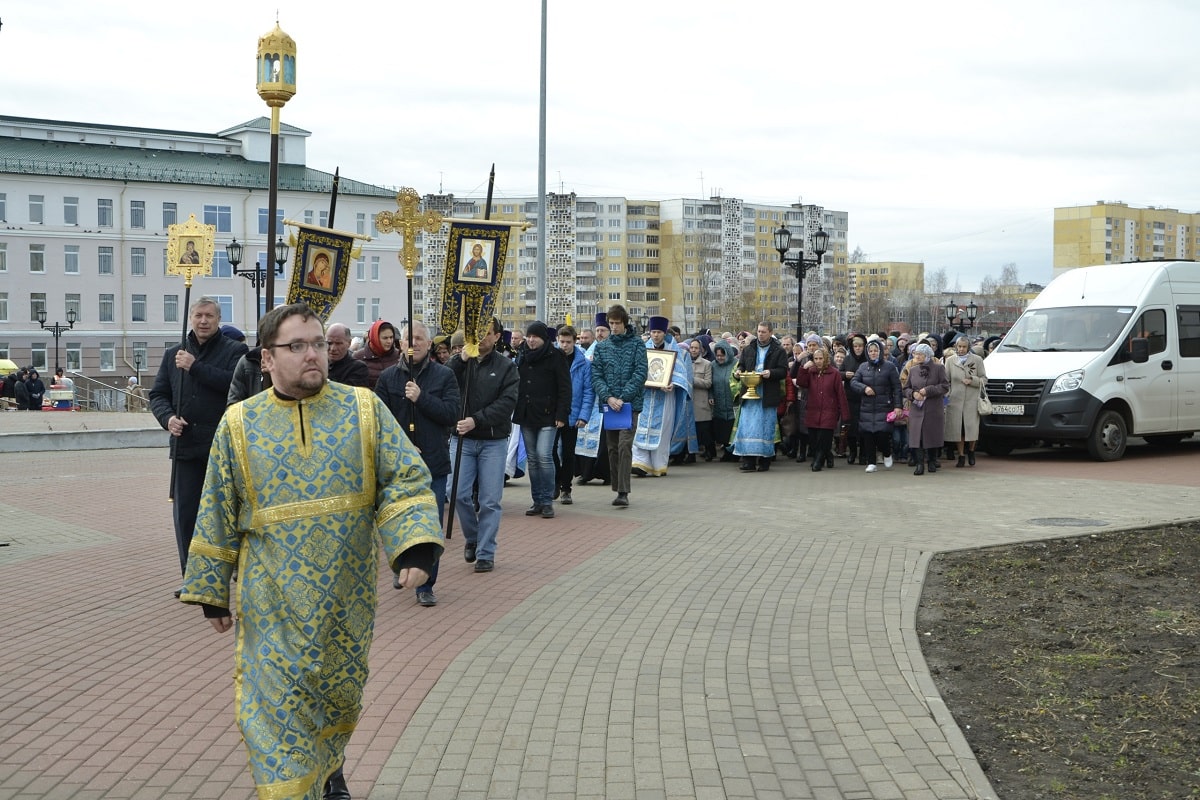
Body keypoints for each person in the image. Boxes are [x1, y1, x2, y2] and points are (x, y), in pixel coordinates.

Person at [179, 302, 442, 800]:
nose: (312, 355)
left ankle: (328, 771)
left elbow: (404, 479)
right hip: (271, 601)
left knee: (338, 701)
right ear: (267, 360)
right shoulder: (238, 424)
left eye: (318, 344)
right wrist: (212, 589)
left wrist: (415, 547)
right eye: (296, 346)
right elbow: (214, 507)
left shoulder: (363, 410)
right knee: (276, 713)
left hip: (346, 600)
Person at [149, 296, 247, 585]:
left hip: (221, 446)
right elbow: (158, 395)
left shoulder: (235, 351)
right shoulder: (173, 354)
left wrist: (196, 367)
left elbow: (235, 384)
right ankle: (193, 579)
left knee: (224, 513)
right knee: (186, 515)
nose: (203, 321)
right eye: (198, 315)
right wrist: (168, 418)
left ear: (218, 320)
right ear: (191, 318)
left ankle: (228, 570)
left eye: (209, 316)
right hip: (186, 447)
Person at [375, 321, 460, 607]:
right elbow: (380, 421)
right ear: (401, 344)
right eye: (410, 338)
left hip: (433, 463)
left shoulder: (444, 376)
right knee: (397, 519)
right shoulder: (388, 378)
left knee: (428, 524)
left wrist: (422, 399)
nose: (415, 343)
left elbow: (451, 414)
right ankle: (402, 566)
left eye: (421, 338)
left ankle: (425, 583)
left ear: (429, 344)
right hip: (398, 466)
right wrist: (402, 444)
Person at [447, 316, 519, 573]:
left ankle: (486, 552)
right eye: (477, 333)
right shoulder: (462, 363)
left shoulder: (506, 367)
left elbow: (507, 403)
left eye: (488, 333)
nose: (481, 338)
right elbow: (442, 381)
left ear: (498, 336)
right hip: (462, 440)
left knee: (490, 500)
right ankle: (473, 536)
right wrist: (459, 360)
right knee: (455, 493)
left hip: (492, 440)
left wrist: (476, 420)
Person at [590, 304, 648, 507]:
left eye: (617, 323)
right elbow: (596, 375)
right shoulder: (602, 347)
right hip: (610, 405)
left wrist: (623, 397)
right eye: (611, 323)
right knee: (612, 448)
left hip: (629, 405)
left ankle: (623, 491)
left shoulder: (637, 345)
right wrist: (608, 397)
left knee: (624, 446)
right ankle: (616, 486)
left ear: (624, 323)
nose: (613, 327)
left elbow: (640, 372)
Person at [513, 321, 572, 519]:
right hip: (527, 414)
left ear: (543, 338)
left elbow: (565, 388)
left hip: (549, 414)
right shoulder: (521, 355)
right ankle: (537, 500)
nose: (530, 340)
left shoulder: (556, 356)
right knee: (532, 459)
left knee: (544, 456)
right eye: (528, 336)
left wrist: (562, 414)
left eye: (535, 337)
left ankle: (547, 500)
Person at [631, 316, 693, 476]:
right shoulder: (644, 348)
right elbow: (636, 369)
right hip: (646, 396)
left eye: (658, 332)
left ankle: (658, 466)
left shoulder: (674, 349)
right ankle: (640, 463)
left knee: (662, 431)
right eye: (653, 332)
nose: (655, 335)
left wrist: (673, 384)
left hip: (665, 398)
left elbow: (681, 373)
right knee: (641, 429)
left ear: (664, 332)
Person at [731, 322, 789, 472]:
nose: (760, 334)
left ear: (770, 332)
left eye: (764, 332)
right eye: (758, 331)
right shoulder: (749, 349)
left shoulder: (778, 351)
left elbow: (783, 371)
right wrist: (738, 372)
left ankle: (765, 461)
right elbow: (742, 365)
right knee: (748, 427)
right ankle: (748, 461)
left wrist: (771, 373)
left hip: (767, 393)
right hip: (749, 393)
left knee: (765, 427)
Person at [554, 325, 593, 504]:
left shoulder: (584, 363)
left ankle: (566, 489)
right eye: (561, 342)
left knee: (568, 454)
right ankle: (555, 482)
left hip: (573, 414)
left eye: (568, 342)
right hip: (552, 414)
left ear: (575, 341)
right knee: (550, 452)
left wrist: (583, 415)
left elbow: (588, 392)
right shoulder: (551, 359)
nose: (564, 346)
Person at [850, 339, 902, 472]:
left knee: (882, 434)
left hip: (884, 406)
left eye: (875, 351)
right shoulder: (863, 367)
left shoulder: (889, 367)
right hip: (867, 407)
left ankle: (886, 453)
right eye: (871, 351)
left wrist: (898, 406)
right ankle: (871, 462)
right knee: (868, 435)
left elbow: (897, 387)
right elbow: (854, 382)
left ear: (880, 351)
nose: (873, 353)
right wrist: (864, 388)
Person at [795, 346, 849, 472]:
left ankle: (818, 460)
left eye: (821, 358)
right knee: (813, 440)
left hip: (829, 411)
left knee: (823, 439)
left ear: (826, 359)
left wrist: (845, 415)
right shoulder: (811, 372)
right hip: (813, 411)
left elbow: (841, 394)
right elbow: (801, 383)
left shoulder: (834, 373)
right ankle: (828, 455)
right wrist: (803, 368)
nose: (818, 361)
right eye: (816, 359)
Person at [903, 342, 951, 475]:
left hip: (933, 408)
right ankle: (919, 464)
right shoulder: (912, 370)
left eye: (919, 354)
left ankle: (931, 461)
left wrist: (928, 390)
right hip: (916, 409)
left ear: (927, 355)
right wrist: (913, 394)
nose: (916, 356)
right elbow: (906, 388)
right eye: (915, 354)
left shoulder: (938, 368)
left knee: (931, 436)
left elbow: (945, 386)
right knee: (917, 437)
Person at [944, 334, 988, 467]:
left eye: (964, 346)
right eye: (959, 346)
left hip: (971, 399)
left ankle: (971, 451)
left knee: (971, 429)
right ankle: (961, 456)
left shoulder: (977, 359)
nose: (961, 349)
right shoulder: (950, 361)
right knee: (959, 430)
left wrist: (972, 381)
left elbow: (984, 379)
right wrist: (948, 396)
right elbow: (946, 381)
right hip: (955, 400)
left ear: (968, 347)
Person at [709, 339, 738, 461]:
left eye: (722, 355)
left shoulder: (736, 364)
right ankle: (726, 451)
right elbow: (710, 383)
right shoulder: (713, 366)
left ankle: (734, 453)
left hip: (733, 402)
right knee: (722, 428)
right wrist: (710, 396)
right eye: (717, 355)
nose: (719, 358)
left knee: (732, 427)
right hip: (719, 402)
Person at [353, 319, 400, 389]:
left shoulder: (398, 356)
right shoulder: (358, 356)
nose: (389, 341)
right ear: (375, 338)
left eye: (391, 337)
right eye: (385, 338)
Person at [688, 339, 715, 461]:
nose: (693, 350)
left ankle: (710, 451)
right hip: (688, 401)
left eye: (696, 348)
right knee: (689, 431)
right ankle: (690, 454)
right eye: (691, 348)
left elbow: (708, 383)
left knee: (704, 430)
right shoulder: (685, 362)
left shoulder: (706, 364)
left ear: (701, 350)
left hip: (701, 402)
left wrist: (691, 380)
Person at [326, 323, 370, 387]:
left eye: (338, 343)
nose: (333, 348)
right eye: (329, 343)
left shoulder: (358, 368)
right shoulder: (317, 364)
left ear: (349, 343)